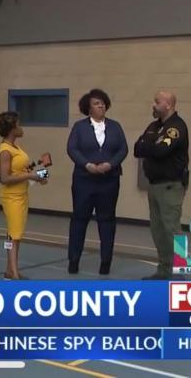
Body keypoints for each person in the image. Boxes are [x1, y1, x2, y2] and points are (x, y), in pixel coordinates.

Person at [66, 89, 128, 275]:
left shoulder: (115, 126)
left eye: (102, 102)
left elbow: (123, 149)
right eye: (96, 103)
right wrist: (87, 164)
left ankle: (106, 262)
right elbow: (72, 148)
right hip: (84, 180)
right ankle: (74, 260)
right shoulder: (79, 127)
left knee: (107, 220)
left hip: (109, 181)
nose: (100, 105)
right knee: (79, 219)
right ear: (88, 108)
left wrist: (110, 164)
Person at [134, 91, 190, 280]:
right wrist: (150, 143)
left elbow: (160, 150)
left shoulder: (177, 127)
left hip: (170, 186)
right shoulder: (153, 126)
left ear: (168, 105)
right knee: (158, 230)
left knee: (172, 230)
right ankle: (164, 270)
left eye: (157, 102)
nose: (154, 104)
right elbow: (137, 149)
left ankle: (179, 274)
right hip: (154, 185)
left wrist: (148, 143)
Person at [0, 111, 46, 280]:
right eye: (19, 124)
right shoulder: (5, 151)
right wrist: (30, 176)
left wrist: (39, 175)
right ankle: (13, 274)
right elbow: (5, 178)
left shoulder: (16, 147)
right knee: (13, 235)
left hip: (22, 194)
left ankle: (10, 270)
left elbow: (20, 170)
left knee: (15, 234)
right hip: (12, 198)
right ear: (12, 128)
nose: (21, 127)